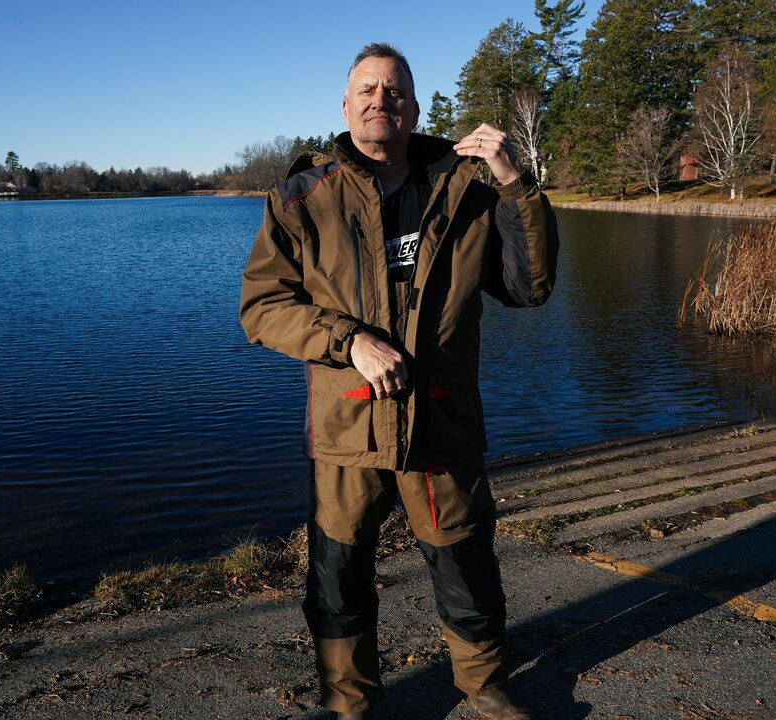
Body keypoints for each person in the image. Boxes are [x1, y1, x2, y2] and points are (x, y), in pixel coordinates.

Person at [239, 42, 558, 720]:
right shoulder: (303, 196)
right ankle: (349, 705)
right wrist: (347, 339)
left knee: (465, 564)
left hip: (441, 426)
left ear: (413, 108)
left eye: (394, 90)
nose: (380, 100)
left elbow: (530, 287)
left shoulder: (468, 188)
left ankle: (483, 687)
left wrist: (513, 181)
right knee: (338, 577)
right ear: (346, 105)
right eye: (367, 89)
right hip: (348, 428)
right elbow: (262, 307)